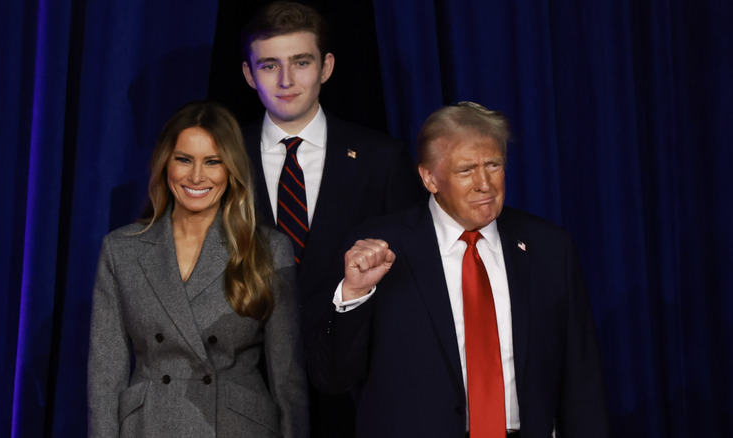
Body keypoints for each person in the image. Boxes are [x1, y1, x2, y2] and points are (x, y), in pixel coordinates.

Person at [308, 102, 610, 437]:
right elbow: (332, 377)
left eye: (493, 165)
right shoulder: (380, 248)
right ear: (429, 178)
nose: (485, 184)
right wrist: (353, 296)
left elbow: (582, 380)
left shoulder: (549, 248)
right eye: (466, 170)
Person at [239, 2, 422, 436]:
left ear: (326, 67)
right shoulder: (220, 159)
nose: (286, 81)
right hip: (245, 393)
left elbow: (411, 278)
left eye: (301, 62)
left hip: (355, 393)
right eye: (269, 65)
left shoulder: (381, 159)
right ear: (249, 74)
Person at [87, 101, 308, 438]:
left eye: (212, 162)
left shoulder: (266, 249)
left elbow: (287, 376)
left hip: (237, 426)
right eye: (184, 159)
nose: (196, 176)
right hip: (149, 425)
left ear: (230, 168)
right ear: (165, 163)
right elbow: (105, 376)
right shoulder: (121, 250)